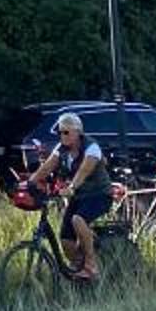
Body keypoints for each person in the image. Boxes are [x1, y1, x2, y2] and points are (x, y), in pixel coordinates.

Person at [41, 111, 119, 284]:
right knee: (66, 239)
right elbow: (46, 168)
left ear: (78, 132)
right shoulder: (61, 149)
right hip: (79, 197)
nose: (62, 136)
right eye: (60, 132)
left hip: (100, 195)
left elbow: (83, 171)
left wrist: (71, 187)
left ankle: (91, 265)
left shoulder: (91, 148)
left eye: (66, 132)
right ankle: (79, 269)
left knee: (78, 219)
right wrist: (28, 183)